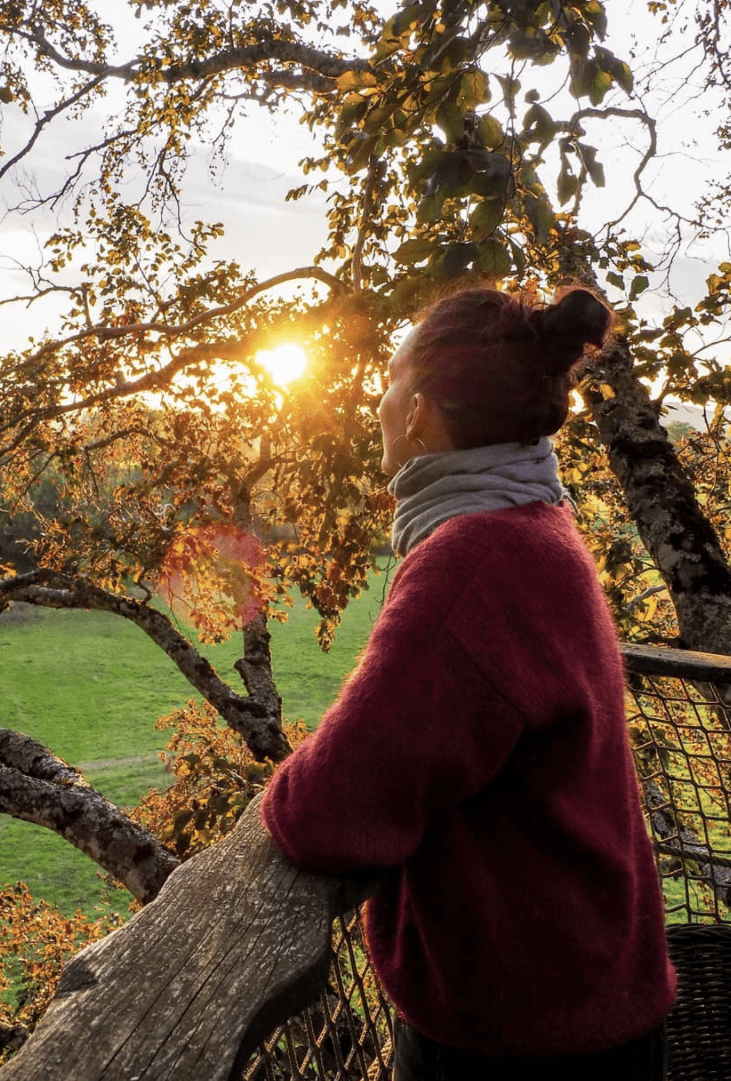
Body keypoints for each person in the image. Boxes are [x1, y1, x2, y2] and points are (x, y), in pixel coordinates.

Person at [260, 286, 676, 1081]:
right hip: (590, 996)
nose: (376, 403)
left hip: (521, 1036)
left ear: (417, 412)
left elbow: (325, 812)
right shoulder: (538, 520)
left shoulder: (472, 561)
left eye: (388, 381)